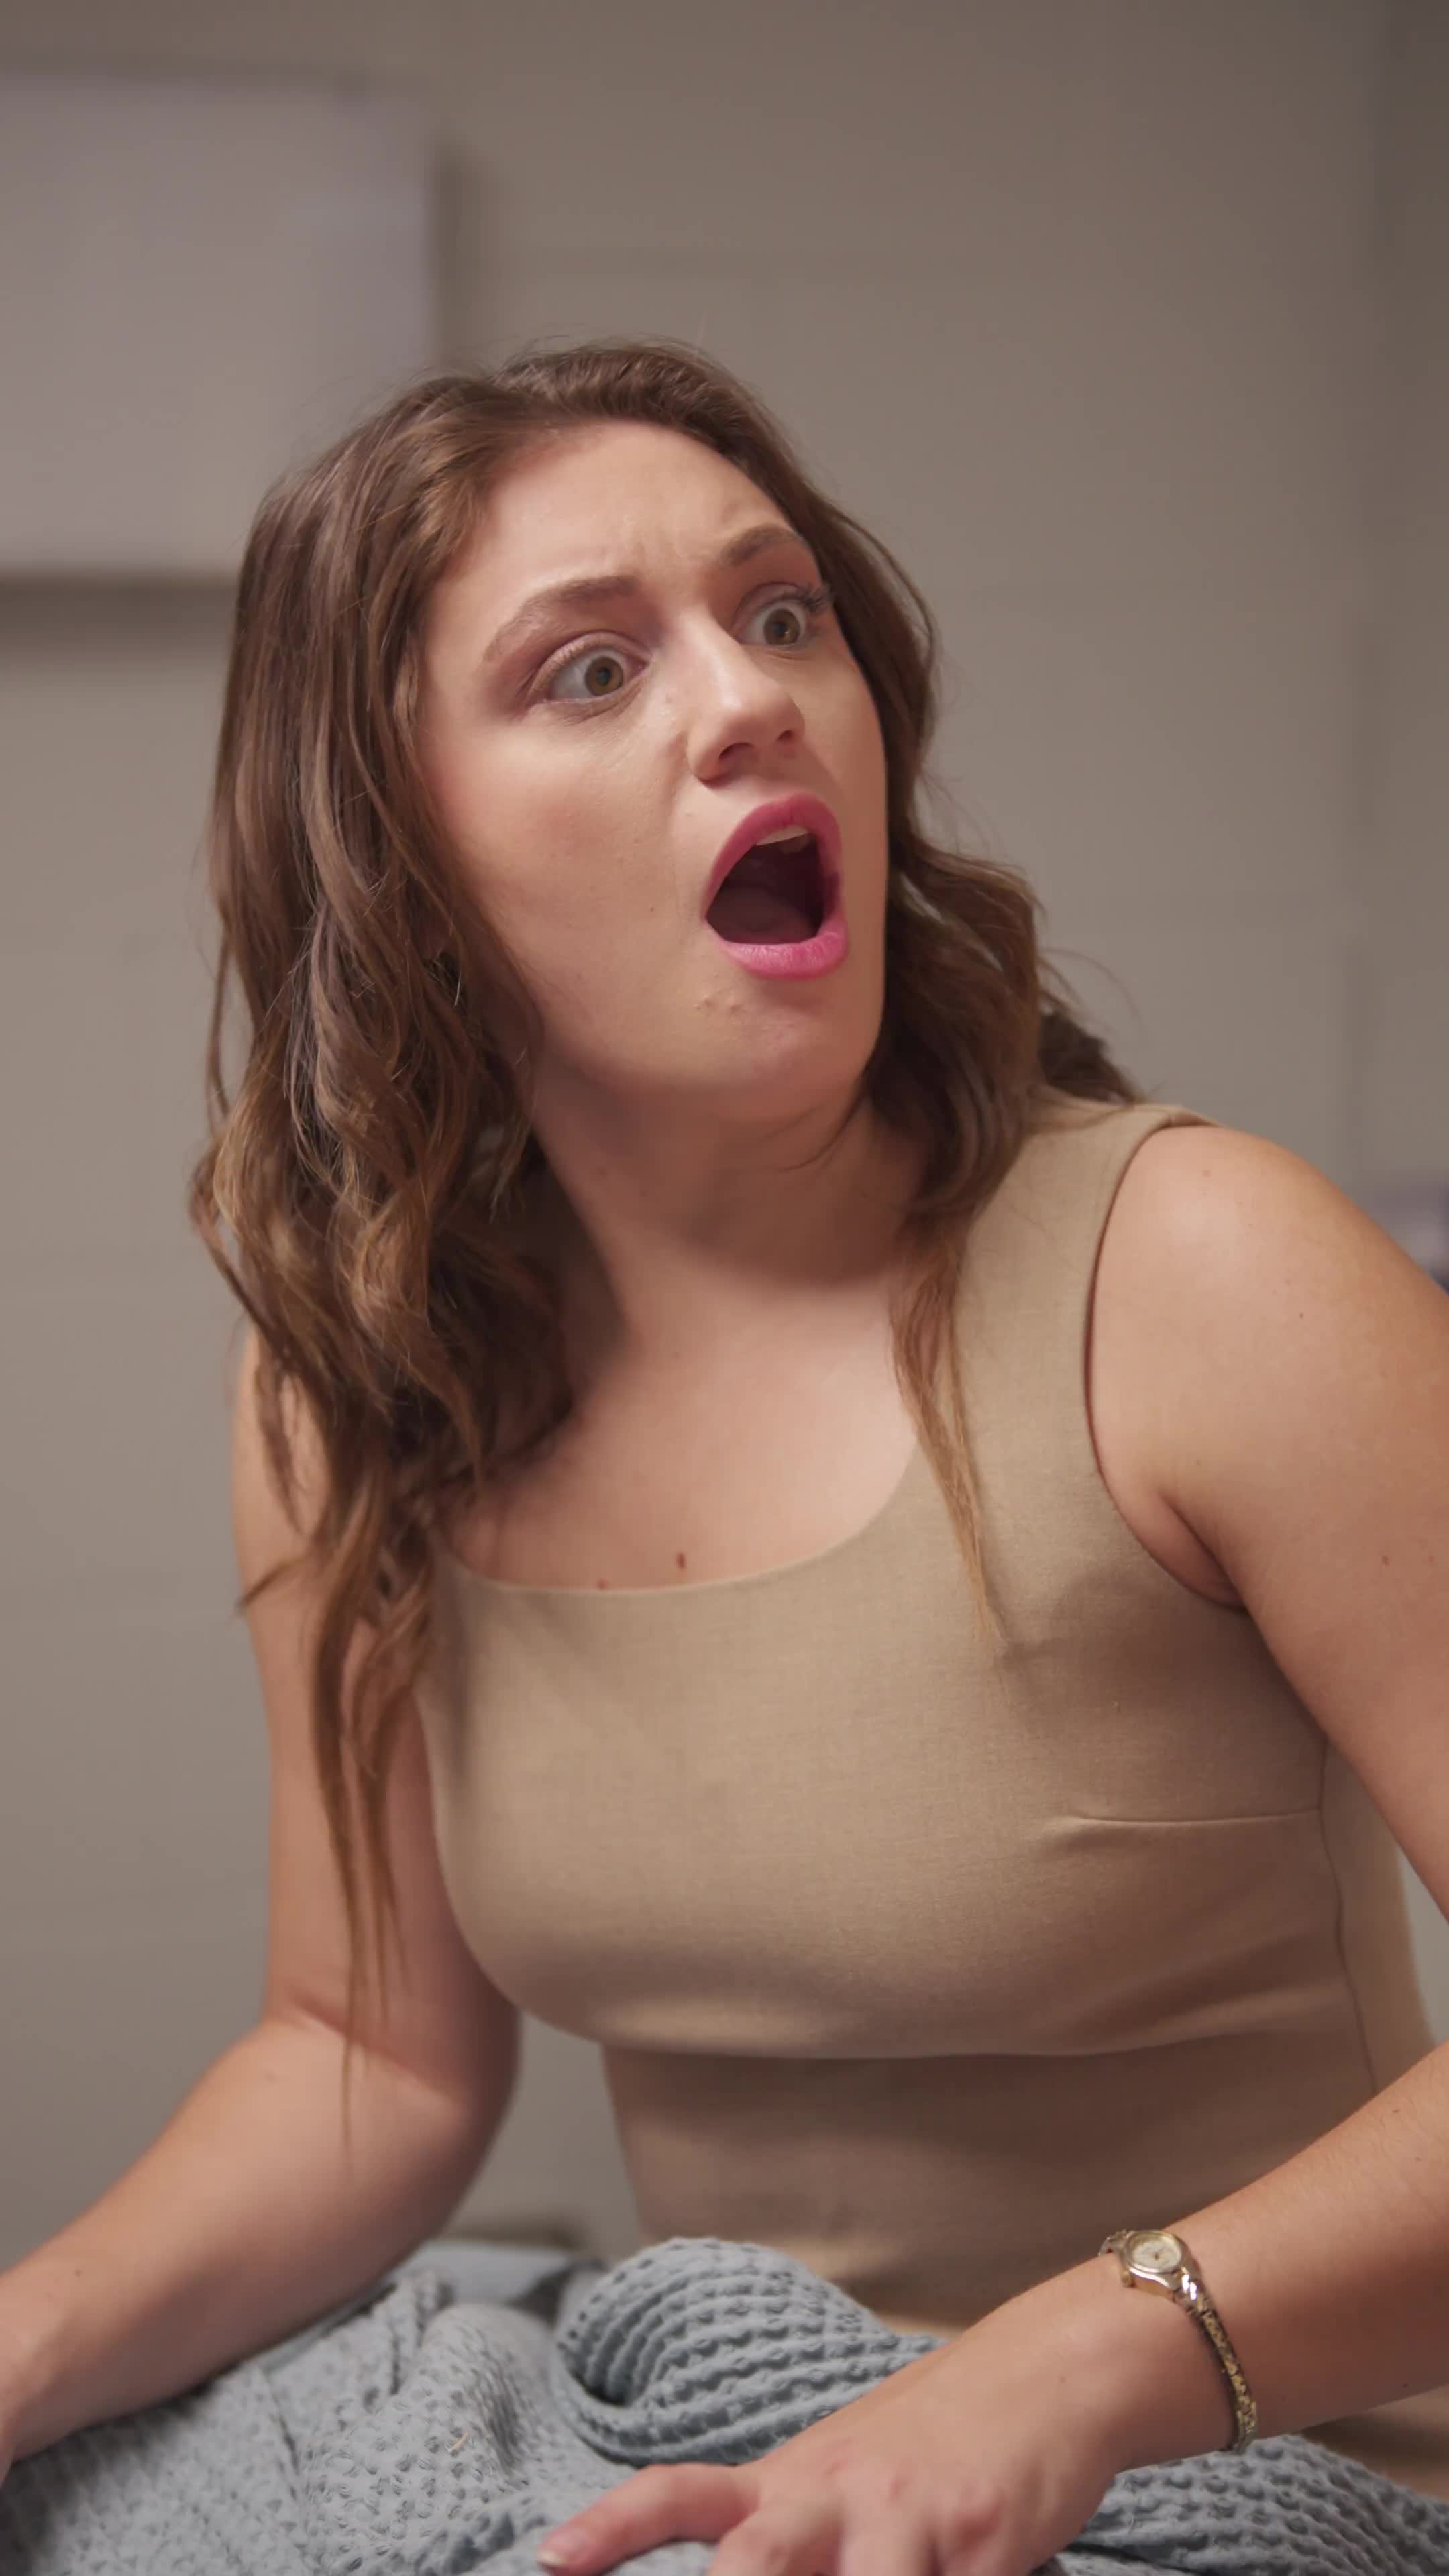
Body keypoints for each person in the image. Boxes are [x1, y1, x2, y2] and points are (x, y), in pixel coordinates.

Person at [2, 339, 1448, 2576]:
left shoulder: (1203, 1275)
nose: (755, 698)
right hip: (732, 2446)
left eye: (785, 615)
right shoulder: (358, 1395)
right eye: (590, 670)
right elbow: (368, 2056)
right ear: (400, 859)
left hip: (1285, 2475)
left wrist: (1073, 2368)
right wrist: (21, 2348)